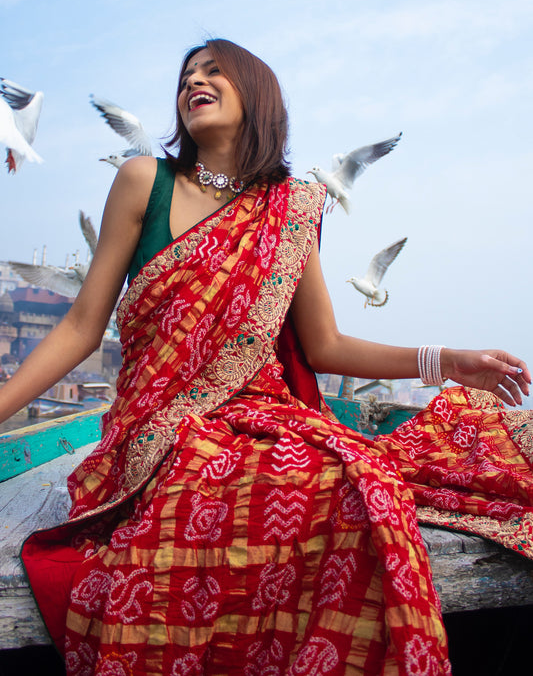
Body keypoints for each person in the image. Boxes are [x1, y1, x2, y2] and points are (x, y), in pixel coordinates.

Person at [1, 38, 532, 676]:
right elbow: (82, 326)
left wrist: (444, 360)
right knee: (281, 496)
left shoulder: (292, 211)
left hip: (263, 422)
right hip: (158, 433)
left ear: (257, 95)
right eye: (186, 77)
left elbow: (325, 345)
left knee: (366, 487)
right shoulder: (146, 181)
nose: (193, 82)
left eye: (213, 71)